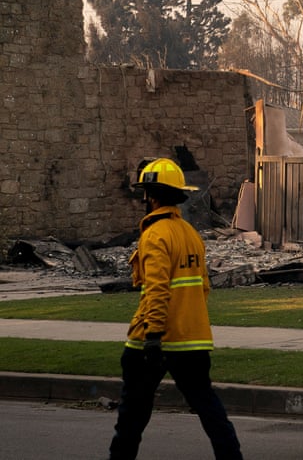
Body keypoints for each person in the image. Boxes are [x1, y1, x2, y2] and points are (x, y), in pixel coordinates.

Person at [108, 158, 243, 460]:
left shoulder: (154, 235)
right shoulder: (190, 234)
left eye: (145, 193)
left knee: (132, 415)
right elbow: (203, 287)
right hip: (192, 338)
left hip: (154, 339)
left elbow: (156, 288)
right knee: (208, 407)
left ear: (151, 196)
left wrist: (153, 335)